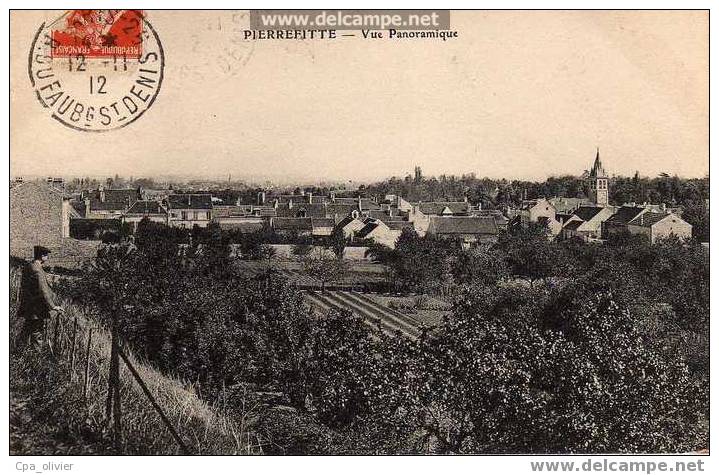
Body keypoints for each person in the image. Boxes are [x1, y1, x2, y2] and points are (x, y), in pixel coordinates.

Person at [15, 246, 64, 352]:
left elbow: (24, 286)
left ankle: (18, 351)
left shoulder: (29, 266)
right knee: (37, 332)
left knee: (27, 329)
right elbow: (43, 291)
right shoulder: (38, 270)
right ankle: (36, 356)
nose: (47, 257)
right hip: (36, 307)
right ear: (42, 256)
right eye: (46, 255)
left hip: (29, 305)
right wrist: (53, 306)